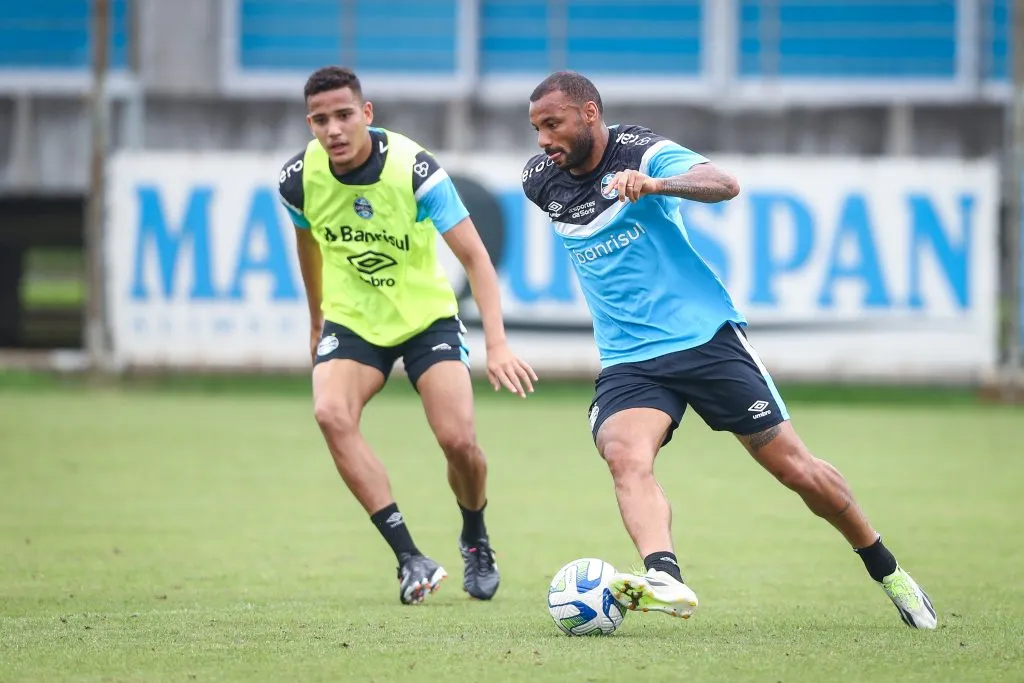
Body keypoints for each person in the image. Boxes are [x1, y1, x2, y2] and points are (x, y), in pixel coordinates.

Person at [520, 70, 936, 629]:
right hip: (629, 358)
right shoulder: (539, 180)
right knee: (623, 454)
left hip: (704, 340)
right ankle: (664, 574)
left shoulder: (640, 150)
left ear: (589, 113)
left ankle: (888, 571)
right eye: (536, 129)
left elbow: (722, 183)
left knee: (797, 471)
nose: (544, 140)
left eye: (553, 124)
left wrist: (656, 186)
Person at [278, 66, 536, 605]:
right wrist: (316, 319)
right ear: (311, 124)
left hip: (425, 319)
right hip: (353, 320)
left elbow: (476, 259)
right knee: (330, 414)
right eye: (321, 120)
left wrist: (499, 343)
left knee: (458, 442)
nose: (334, 130)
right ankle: (409, 557)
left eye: (344, 115)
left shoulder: (414, 170)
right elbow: (308, 246)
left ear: (366, 114)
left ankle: (475, 535)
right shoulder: (298, 180)